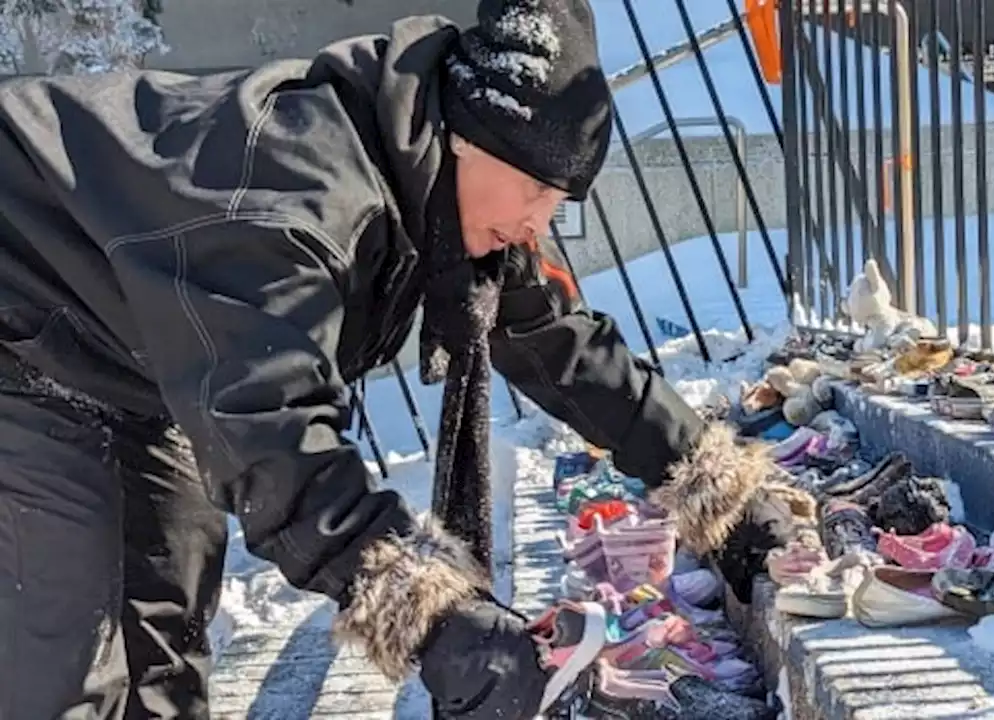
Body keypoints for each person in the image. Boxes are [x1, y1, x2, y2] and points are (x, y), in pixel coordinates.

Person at [0, 0, 818, 717]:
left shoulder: (434, 186)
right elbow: (277, 444)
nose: (537, 225)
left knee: (162, 628)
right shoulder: (299, 206)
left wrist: (719, 494)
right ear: (469, 140)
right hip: (20, 318)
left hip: (120, 346)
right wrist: (438, 623)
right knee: (71, 640)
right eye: (534, 193)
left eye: (558, 205)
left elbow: (554, 340)